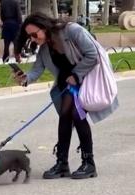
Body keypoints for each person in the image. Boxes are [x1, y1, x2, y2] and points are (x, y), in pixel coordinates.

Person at [14, 13, 118, 180]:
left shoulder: (72, 31)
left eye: (35, 34)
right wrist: (24, 79)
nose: (33, 39)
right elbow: (36, 70)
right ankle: (62, 163)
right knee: (65, 116)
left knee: (78, 115)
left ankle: (89, 163)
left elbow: (93, 54)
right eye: (29, 36)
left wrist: (76, 75)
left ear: (45, 27)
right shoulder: (45, 48)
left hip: (85, 78)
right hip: (66, 84)